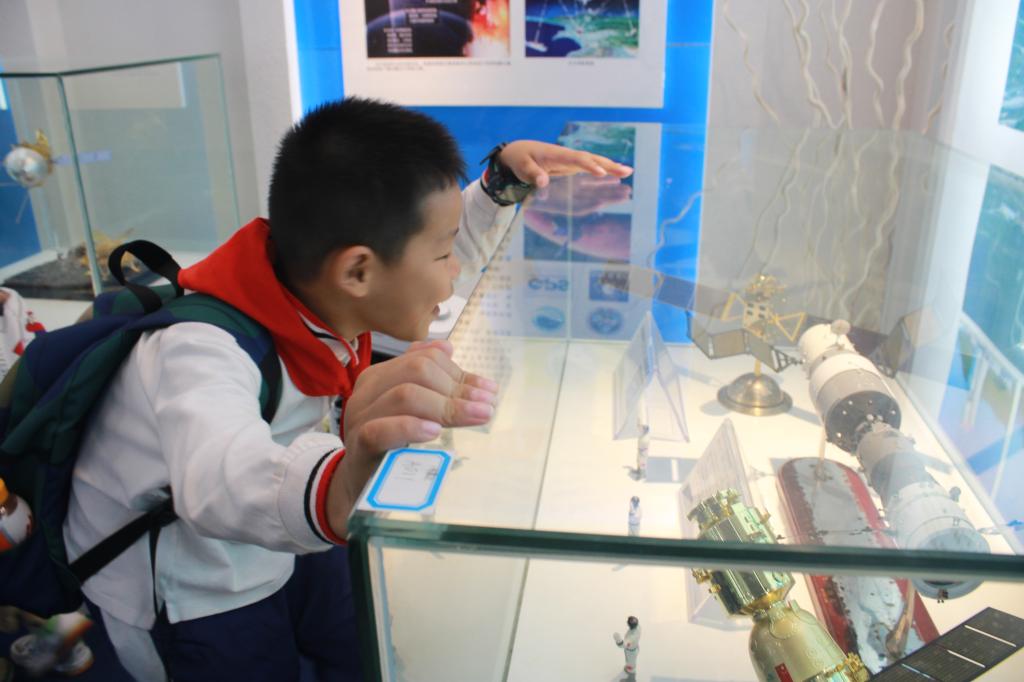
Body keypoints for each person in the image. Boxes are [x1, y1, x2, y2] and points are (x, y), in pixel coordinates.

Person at [61, 97, 632, 680]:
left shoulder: (319, 293)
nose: (454, 270)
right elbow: (220, 482)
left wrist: (500, 184)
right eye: (444, 254)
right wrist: (347, 472)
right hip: (196, 588)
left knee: (361, 644)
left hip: (295, 523)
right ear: (356, 272)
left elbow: (408, 253)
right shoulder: (198, 351)